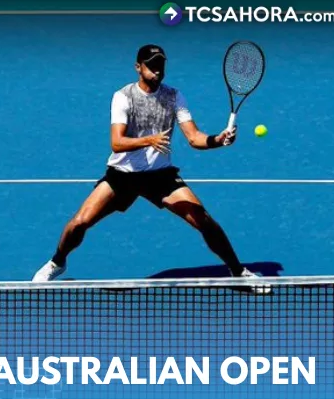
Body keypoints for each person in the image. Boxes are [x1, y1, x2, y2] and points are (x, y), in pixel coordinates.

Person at [32, 44, 270, 294]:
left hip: (160, 177)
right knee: (80, 222)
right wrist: (148, 140)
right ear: (138, 67)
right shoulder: (123, 96)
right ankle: (57, 263)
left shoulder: (174, 96)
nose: (157, 69)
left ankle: (237, 273)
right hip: (123, 175)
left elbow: (193, 137)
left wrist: (216, 140)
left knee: (203, 219)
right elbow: (117, 142)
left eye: (160, 64)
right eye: (151, 65)